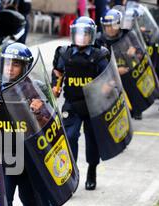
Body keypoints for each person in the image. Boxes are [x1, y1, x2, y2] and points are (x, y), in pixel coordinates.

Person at [0, 42, 54, 206]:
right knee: (2, 203)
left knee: (30, 201)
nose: (10, 69)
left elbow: (51, 122)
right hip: (5, 154)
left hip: (29, 154)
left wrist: (41, 110)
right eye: (7, 64)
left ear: (25, 67)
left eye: (15, 65)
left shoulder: (36, 89)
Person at [51, 17, 110, 191]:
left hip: (93, 105)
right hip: (72, 103)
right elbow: (58, 72)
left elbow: (108, 77)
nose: (81, 38)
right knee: (69, 137)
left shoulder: (100, 55)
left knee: (92, 140)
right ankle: (71, 173)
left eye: (85, 34)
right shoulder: (64, 53)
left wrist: (107, 87)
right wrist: (55, 86)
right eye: (78, 33)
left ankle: (92, 170)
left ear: (91, 35)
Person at [96, 8, 145, 120]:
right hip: (108, 73)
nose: (110, 29)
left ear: (119, 24)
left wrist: (134, 53)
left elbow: (141, 55)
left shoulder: (129, 35)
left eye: (112, 25)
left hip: (128, 70)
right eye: (107, 26)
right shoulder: (99, 39)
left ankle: (137, 109)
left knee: (132, 81)